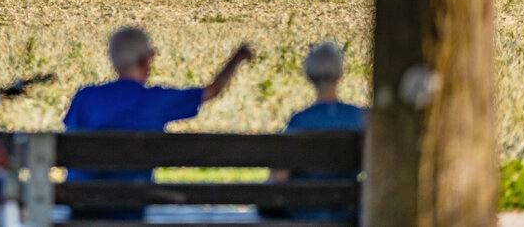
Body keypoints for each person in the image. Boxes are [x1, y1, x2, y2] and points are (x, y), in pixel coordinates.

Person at [62, 26, 253, 218]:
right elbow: (212, 91)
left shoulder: (84, 98)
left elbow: (68, 141)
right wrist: (238, 57)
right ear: (145, 60)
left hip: (83, 208)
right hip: (129, 210)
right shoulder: (156, 100)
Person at [268, 42, 365, 220]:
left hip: (304, 213)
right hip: (349, 213)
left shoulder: (300, 121)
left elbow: (279, 178)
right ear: (340, 74)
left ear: (309, 76)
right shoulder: (360, 118)